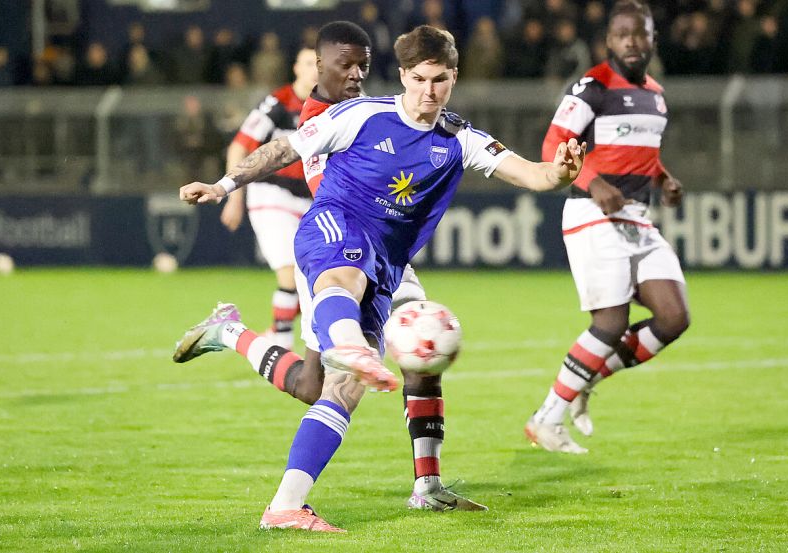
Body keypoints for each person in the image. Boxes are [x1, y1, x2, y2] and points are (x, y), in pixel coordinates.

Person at [178, 24, 586, 532]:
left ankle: (289, 505)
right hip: (336, 226)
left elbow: (532, 173)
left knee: (338, 388)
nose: (428, 92)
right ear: (403, 76)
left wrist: (561, 173)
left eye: (439, 80)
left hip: (388, 264)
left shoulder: (459, 139)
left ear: (453, 78)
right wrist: (223, 185)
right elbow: (284, 149)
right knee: (345, 278)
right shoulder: (360, 115)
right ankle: (346, 343)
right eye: (418, 79)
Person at [524, 0, 691, 454]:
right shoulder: (592, 86)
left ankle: (584, 379)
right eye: (622, 35)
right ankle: (546, 420)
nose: (632, 42)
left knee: (675, 316)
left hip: (636, 216)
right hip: (590, 213)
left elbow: (644, 154)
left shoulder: (655, 93)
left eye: (640, 33)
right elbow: (554, 143)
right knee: (611, 322)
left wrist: (664, 179)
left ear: (653, 38)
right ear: (609, 42)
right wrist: (593, 183)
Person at [219, 47, 318, 347]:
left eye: (319, 64)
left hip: (310, 200)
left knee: (315, 281)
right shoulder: (277, 103)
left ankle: (277, 331)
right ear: (296, 69)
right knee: (289, 272)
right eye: (308, 63)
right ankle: (283, 340)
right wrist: (233, 194)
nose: (315, 69)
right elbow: (239, 146)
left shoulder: (330, 106)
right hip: (270, 193)